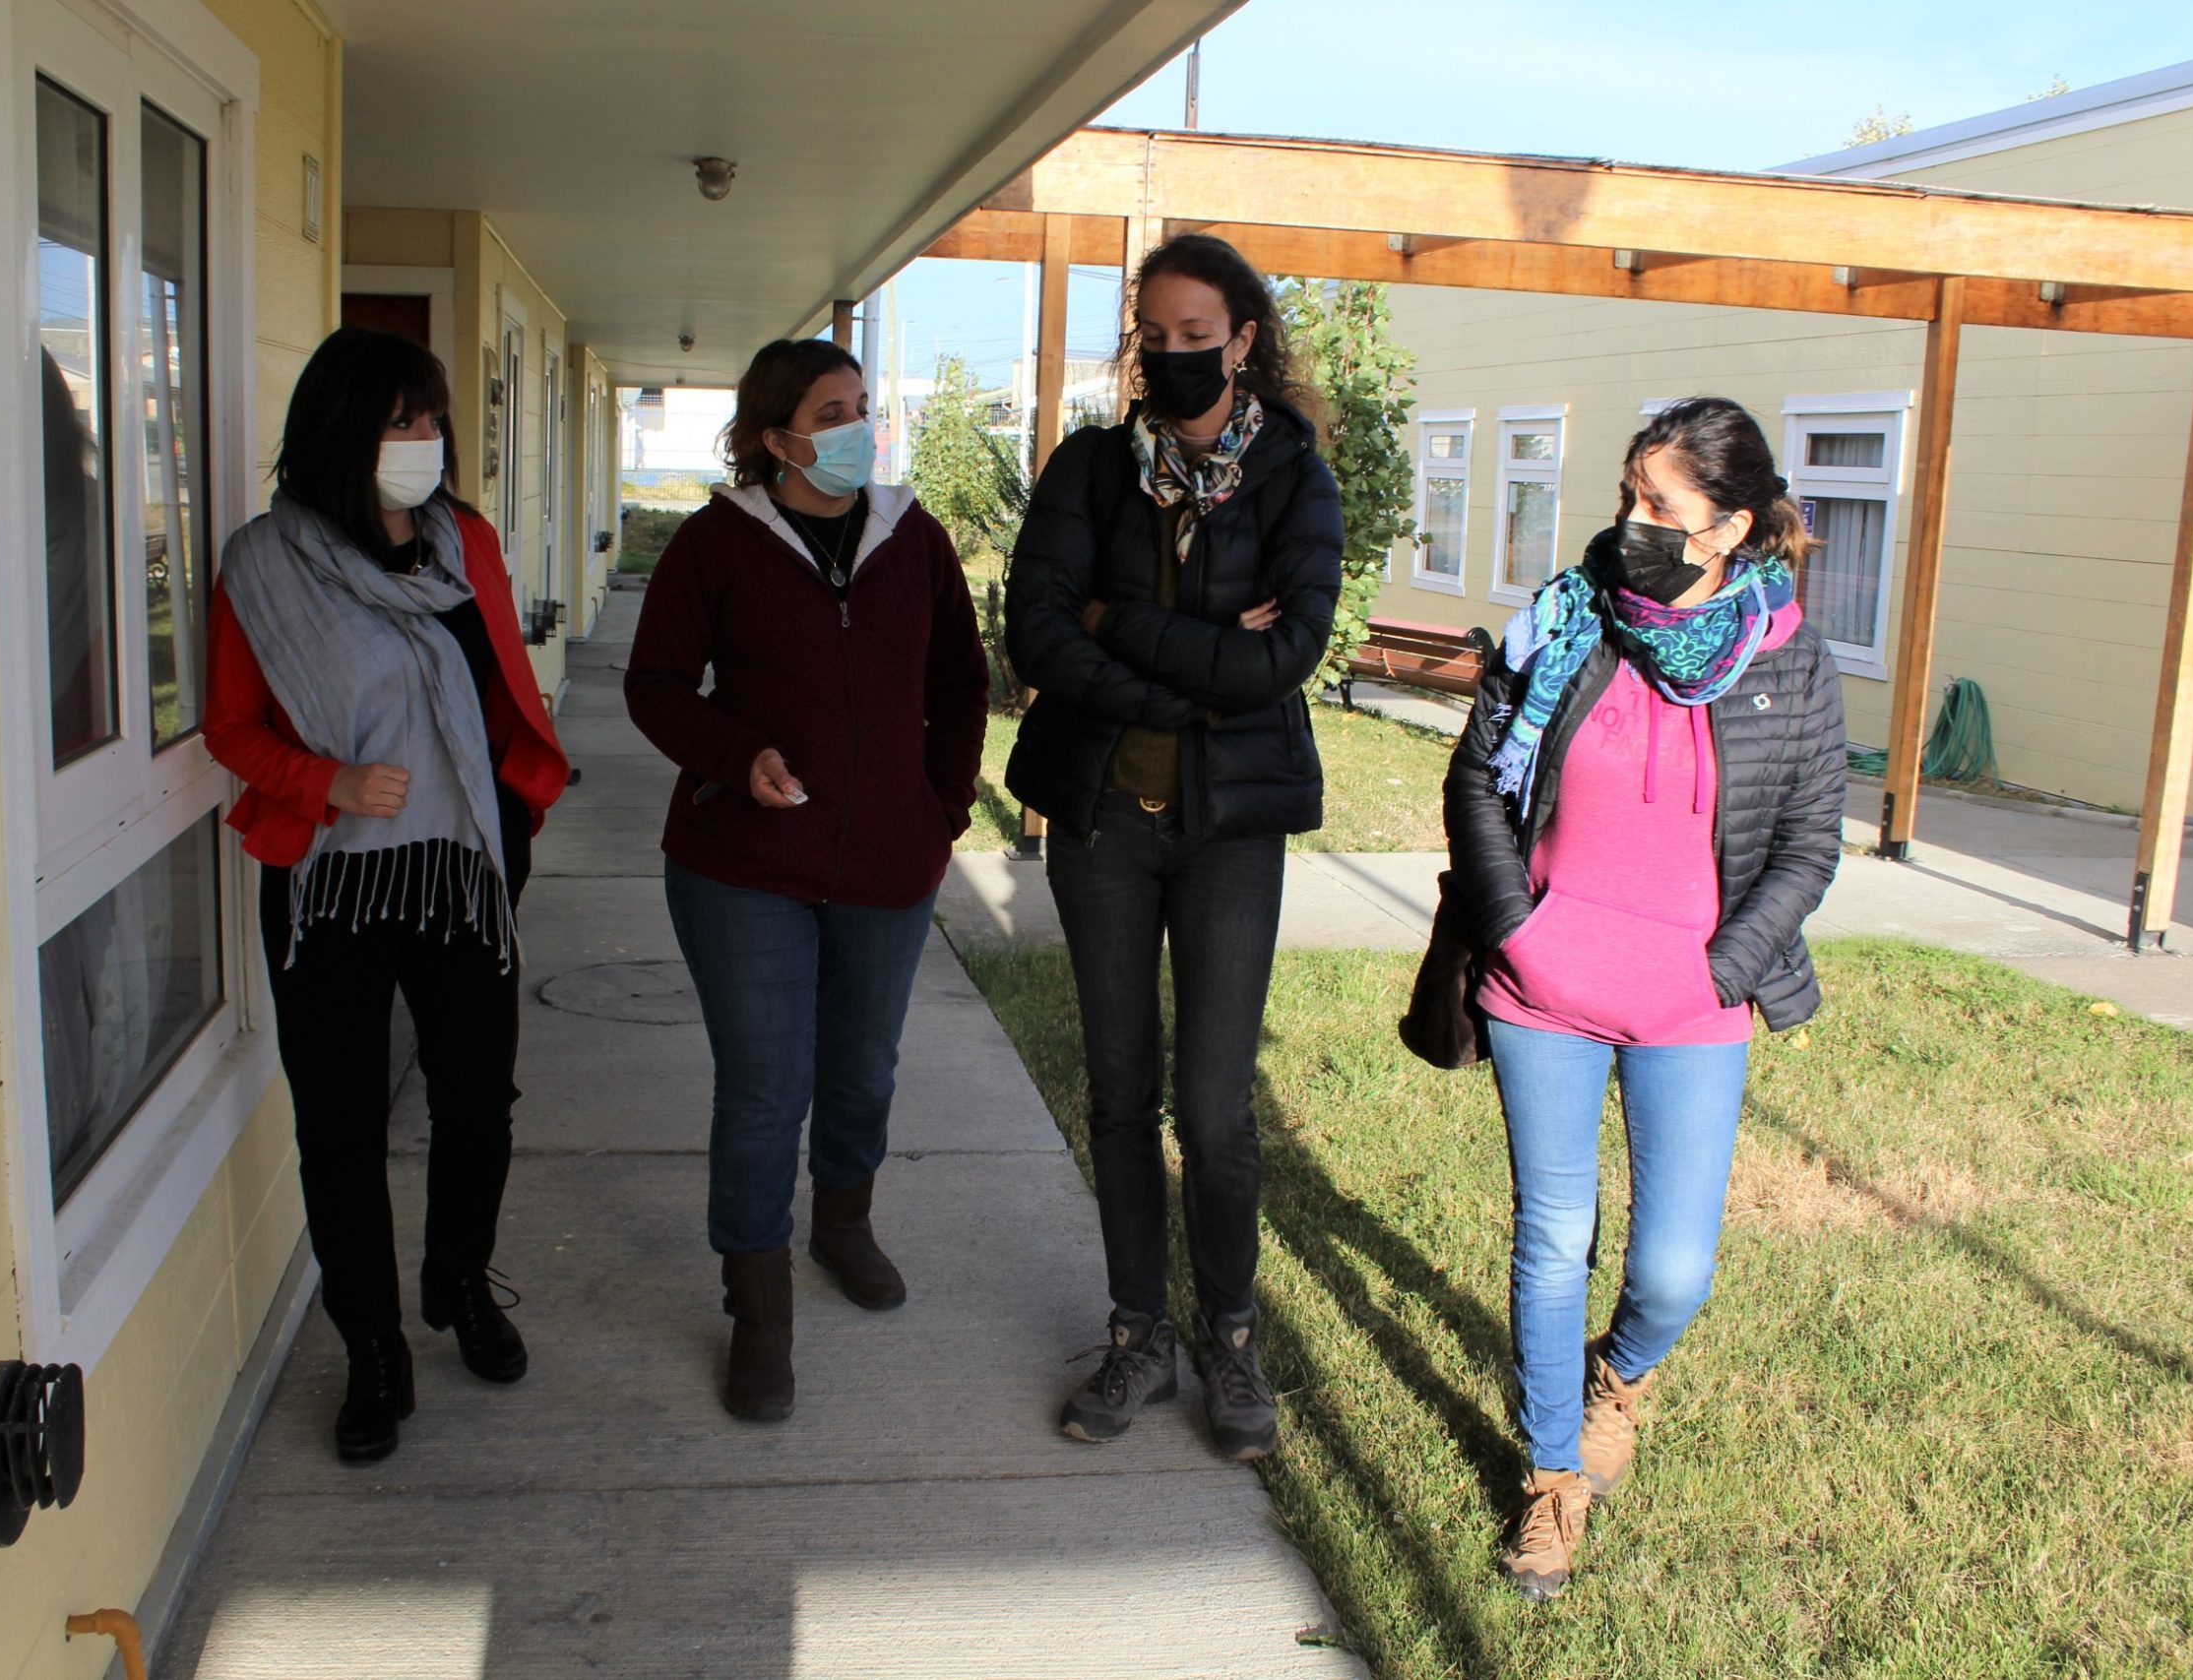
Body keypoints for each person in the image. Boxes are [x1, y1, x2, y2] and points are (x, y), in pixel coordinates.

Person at [1444, 396, 1845, 1598]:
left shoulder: (1790, 658)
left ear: (1725, 527)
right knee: (1553, 1241)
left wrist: (1720, 972)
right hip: (1544, 992)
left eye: (1658, 507)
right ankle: (1552, 1481)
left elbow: (1810, 846)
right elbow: (1477, 780)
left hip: (1692, 1001)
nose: (1631, 523)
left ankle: (1621, 1371)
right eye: (1627, 496)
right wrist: (1519, 930)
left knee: (1674, 1270)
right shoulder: (1567, 625)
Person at [1004, 233, 1344, 1461]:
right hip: (1099, 821)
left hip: (1227, 835)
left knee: (1212, 1108)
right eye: (1155, 337)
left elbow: (1283, 655)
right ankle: (1138, 1332)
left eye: (1198, 338)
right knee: (1117, 1092)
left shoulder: (1294, 477)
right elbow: (1034, 631)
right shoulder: (1091, 469)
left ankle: (1231, 1341)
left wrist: (1124, 623)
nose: (1175, 358)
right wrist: (1177, 682)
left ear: (1243, 339)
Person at [205, 327, 569, 1462]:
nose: (423, 441)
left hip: (458, 872)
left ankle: (457, 1284)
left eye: (431, 420)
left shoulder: (469, 546)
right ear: (339, 429)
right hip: (331, 886)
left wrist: (510, 813)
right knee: (340, 1132)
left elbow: (499, 686)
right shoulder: (264, 565)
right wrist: (329, 783)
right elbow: (230, 728)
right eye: (398, 420)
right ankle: (371, 1350)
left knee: (476, 1104)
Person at [623, 337, 989, 1424]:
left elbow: (962, 681)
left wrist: (941, 808)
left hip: (887, 865)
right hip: (742, 868)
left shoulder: (912, 539)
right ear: (777, 436)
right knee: (763, 1088)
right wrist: (735, 756)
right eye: (833, 413)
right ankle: (759, 1310)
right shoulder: (714, 544)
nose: (857, 430)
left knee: (862, 1070)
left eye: (863, 407)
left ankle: (842, 1225)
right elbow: (653, 686)